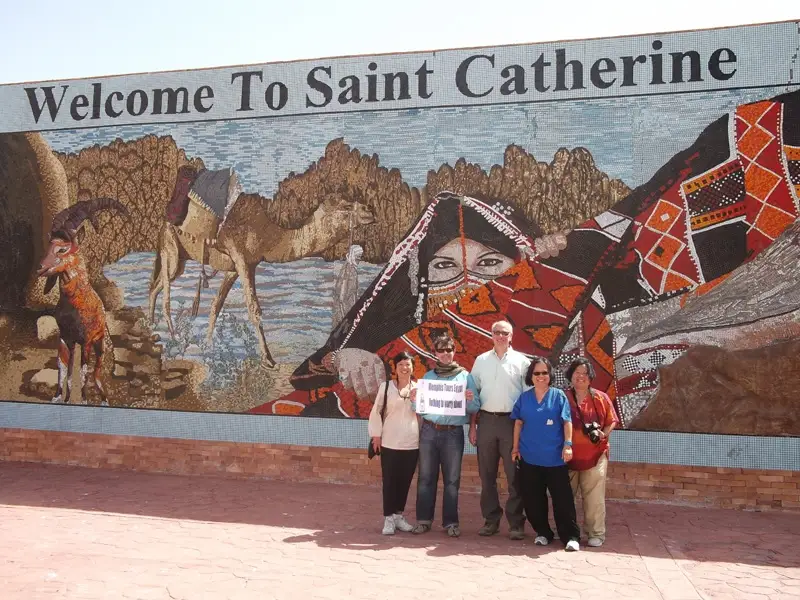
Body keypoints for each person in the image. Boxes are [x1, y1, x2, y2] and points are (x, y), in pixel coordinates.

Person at [410, 333, 480, 537]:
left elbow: (475, 406)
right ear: (435, 354)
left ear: (454, 351)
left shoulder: (465, 377)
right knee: (425, 477)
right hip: (429, 431)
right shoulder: (429, 377)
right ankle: (423, 520)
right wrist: (415, 399)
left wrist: (468, 399)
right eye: (441, 350)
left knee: (451, 479)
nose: (445, 354)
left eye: (448, 350)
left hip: (453, 434)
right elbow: (421, 408)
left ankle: (450, 523)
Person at [511, 356, 581, 551]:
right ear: (530, 376)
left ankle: (571, 536)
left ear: (550, 375)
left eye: (544, 373)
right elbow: (518, 422)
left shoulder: (558, 396)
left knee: (563, 501)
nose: (541, 376)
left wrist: (568, 445)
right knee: (533, 500)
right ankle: (543, 532)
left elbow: (567, 421)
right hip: (529, 458)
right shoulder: (524, 398)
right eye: (537, 373)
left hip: (555, 459)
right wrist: (515, 448)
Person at [469, 319, 531, 539]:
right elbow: (473, 395)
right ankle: (491, 520)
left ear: (511, 336)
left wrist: (524, 429)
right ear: (491, 335)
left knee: (514, 476)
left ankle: (516, 523)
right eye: (497, 332)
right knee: (487, 476)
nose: (501, 336)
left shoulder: (522, 362)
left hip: (511, 424)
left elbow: (528, 397)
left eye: (505, 332)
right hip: (486, 421)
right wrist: (473, 426)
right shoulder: (481, 361)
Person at [565, 356, 619, 547]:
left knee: (594, 498)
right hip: (567, 456)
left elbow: (612, 420)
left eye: (585, 373)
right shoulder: (562, 397)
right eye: (577, 373)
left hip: (596, 456)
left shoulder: (600, 397)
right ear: (570, 375)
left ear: (591, 377)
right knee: (565, 497)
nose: (581, 377)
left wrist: (603, 434)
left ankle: (595, 533)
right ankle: (565, 530)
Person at [368, 351, 420, 535]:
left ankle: (399, 516)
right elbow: (376, 412)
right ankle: (388, 518)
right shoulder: (386, 387)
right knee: (390, 481)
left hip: (412, 443)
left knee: (405, 482)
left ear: (413, 367)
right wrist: (376, 436)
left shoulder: (420, 387)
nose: (405, 368)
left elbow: (424, 413)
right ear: (395, 368)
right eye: (401, 365)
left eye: (408, 364)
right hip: (389, 442)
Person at [331, 244, 363, 331]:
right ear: (353, 255)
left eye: (360, 256)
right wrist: (346, 316)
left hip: (348, 310)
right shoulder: (349, 270)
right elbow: (342, 296)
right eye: (357, 256)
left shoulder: (351, 269)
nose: (359, 259)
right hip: (345, 312)